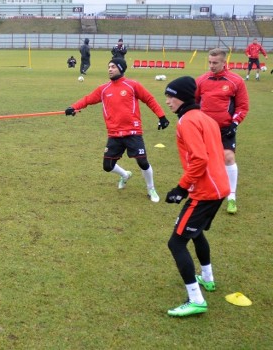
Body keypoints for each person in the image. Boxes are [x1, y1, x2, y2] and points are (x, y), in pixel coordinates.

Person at [162, 76, 230, 317]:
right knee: (196, 232)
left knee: (176, 242)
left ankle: (196, 299)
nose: (168, 101)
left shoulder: (187, 121)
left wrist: (181, 188)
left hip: (205, 192)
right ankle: (208, 279)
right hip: (219, 188)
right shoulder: (205, 118)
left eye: (171, 96)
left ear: (183, 97)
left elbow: (200, 159)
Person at [64, 58, 170, 203]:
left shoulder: (132, 85)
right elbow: (88, 99)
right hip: (114, 134)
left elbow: (149, 99)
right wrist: (74, 107)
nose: (110, 69)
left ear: (120, 68)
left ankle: (151, 188)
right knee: (107, 166)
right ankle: (125, 174)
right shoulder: (104, 89)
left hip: (133, 132)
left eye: (113, 66)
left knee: (142, 162)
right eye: (108, 67)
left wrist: (162, 116)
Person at [196, 48, 249, 214]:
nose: (211, 66)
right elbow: (194, 102)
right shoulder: (201, 81)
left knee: (228, 157)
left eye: (215, 63)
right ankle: (205, 190)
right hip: (205, 128)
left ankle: (231, 197)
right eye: (209, 62)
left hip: (226, 128)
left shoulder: (236, 81)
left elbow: (242, 106)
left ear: (224, 62)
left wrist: (234, 124)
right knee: (203, 159)